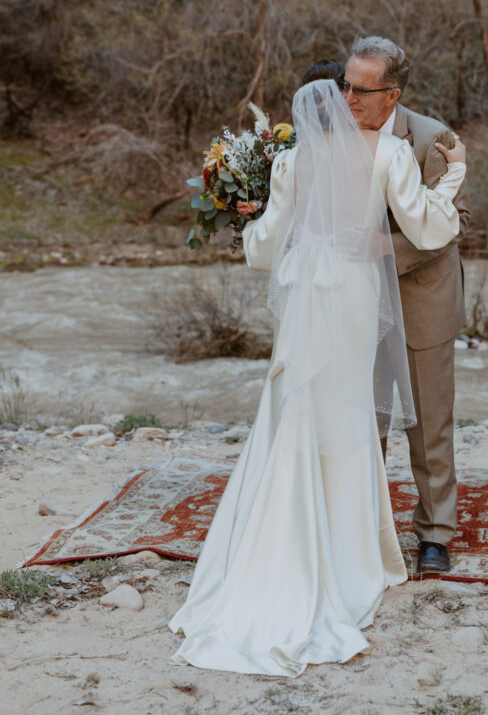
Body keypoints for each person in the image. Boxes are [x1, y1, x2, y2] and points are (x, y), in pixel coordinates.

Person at [169, 79, 466, 676]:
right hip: (355, 294)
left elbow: (264, 250)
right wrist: (455, 173)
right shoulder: (386, 154)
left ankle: (283, 536)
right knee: (351, 410)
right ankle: (352, 550)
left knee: (298, 405)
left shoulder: (289, 160)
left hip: (306, 293)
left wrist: (242, 221)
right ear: (344, 100)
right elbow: (432, 223)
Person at [343, 36, 470, 574]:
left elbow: (449, 223)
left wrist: (384, 249)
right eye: (344, 84)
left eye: (361, 91)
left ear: (392, 95)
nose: (348, 98)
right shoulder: (332, 132)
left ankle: (435, 535)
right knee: (359, 421)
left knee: (429, 424)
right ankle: (359, 528)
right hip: (354, 300)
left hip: (423, 299)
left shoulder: (432, 139)